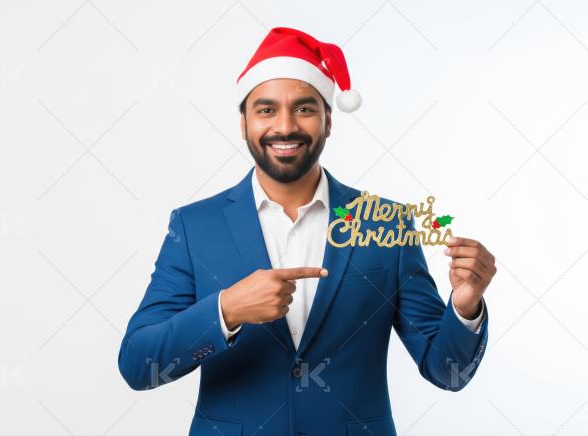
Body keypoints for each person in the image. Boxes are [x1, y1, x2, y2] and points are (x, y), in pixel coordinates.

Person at [118, 27, 496, 436]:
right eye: (266, 110)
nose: (285, 126)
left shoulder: (386, 224)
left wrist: (465, 307)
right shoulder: (194, 228)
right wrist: (226, 311)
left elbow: (448, 372)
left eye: (304, 109)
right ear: (243, 123)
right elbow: (139, 365)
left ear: (328, 120)